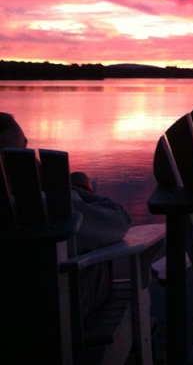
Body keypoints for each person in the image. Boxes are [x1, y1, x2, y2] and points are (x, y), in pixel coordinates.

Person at [0, 112, 132, 318]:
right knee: (98, 266)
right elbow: (119, 221)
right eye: (24, 150)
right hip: (47, 315)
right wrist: (74, 190)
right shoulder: (44, 206)